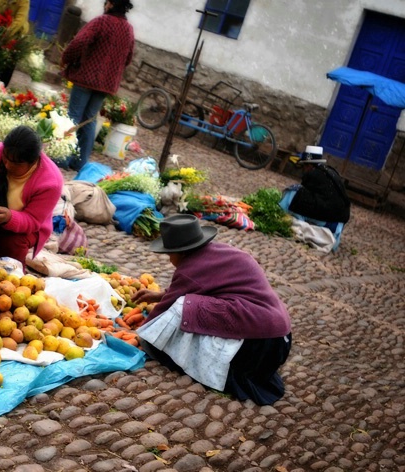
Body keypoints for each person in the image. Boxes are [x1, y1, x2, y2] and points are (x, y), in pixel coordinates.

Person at [133, 214, 292, 405]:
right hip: (279, 338)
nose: (169, 259)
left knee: (184, 307)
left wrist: (142, 335)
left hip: (257, 346)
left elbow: (164, 312)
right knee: (189, 304)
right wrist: (160, 294)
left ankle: (216, 366)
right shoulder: (219, 252)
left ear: (182, 252)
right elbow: (208, 287)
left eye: (169, 254)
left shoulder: (189, 269)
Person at [0, 125, 63, 268]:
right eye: (5, 158)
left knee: (12, 243)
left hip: (23, 228)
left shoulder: (51, 182)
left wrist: (10, 218)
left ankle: (16, 275)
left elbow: (33, 220)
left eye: (16, 163)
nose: (7, 166)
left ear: (33, 161)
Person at [60, 0, 135, 171]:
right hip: (105, 84)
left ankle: (63, 158)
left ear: (111, 4)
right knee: (89, 120)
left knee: (74, 116)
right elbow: (128, 58)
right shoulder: (128, 29)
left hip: (86, 77)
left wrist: (66, 57)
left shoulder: (101, 21)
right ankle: (80, 163)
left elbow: (79, 42)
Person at [279, 146, 350, 249]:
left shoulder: (313, 174)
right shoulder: (329, 171)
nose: (303, 169)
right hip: (340, 220)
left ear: (309, 166)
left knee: (294, 193)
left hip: (331, 221)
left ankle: (281, 215)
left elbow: (303, 194)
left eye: (304, 166)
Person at [0, 0, 30, 86]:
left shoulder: (24, 1)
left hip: (14, 35)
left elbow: (19, 21)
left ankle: (2, 88)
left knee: (6, 69)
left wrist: (5, 36)